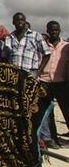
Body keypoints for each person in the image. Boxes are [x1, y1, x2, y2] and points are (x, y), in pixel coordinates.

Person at [38, 21, 69, 149]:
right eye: (51, 30)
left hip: (61, 82)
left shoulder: (66, 46)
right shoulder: (43, 45)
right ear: (48, 30)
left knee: (67, 110)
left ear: (60, 30)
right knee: (48, 112)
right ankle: (51, 138)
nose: (54, 32)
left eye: (56, 30)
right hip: (45, 81)